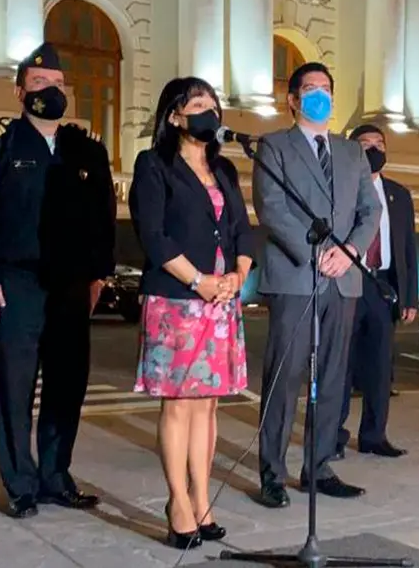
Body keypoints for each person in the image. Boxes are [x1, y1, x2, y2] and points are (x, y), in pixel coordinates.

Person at [0, 42, 114, 519]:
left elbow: (101, 219)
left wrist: (99, 275)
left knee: (67, 385)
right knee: (16, 388)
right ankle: (20, 482)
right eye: (41, 84)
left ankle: (55, 475)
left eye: (59, 85)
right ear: (20, 90)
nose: (52, 91)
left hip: (70, 287)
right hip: (15, 282)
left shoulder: (85, 150)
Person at [129, 76, 252, 550]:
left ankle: (203, 498)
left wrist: (237, 277)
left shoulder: (224, 171)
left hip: (221, 302)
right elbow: (155, 236)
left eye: (213, 105)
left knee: (208, 404)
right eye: (198, 104)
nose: (209, 112)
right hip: (177, 300)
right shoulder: (154, 165)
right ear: (175, 115)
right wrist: (199, 281)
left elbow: (242, 230)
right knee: (180, 404)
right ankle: (177, 501)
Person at [252, 62, 382, 508]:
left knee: (332, 377)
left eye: (326, 89)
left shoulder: (352, 153)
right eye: (310, 89)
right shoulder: (274, 147)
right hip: (295, 275)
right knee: (284, 377)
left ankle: (319, 465)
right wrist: (314, 255)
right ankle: (272, 472)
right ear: (292, 100)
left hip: (343, 278)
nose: (319, 97)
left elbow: (370, 211)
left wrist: (348, 252)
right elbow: (272, 209)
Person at [335, 124, 418, 460]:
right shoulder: (341, 190)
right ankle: (333, 437)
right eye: (364, 143)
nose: (372, 149)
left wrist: (409, 296)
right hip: (347, 282)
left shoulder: (399, 195)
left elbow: (408, 247)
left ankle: (374, 435)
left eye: (378, 144)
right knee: (340, 364)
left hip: (382, 286)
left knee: (381, 366)